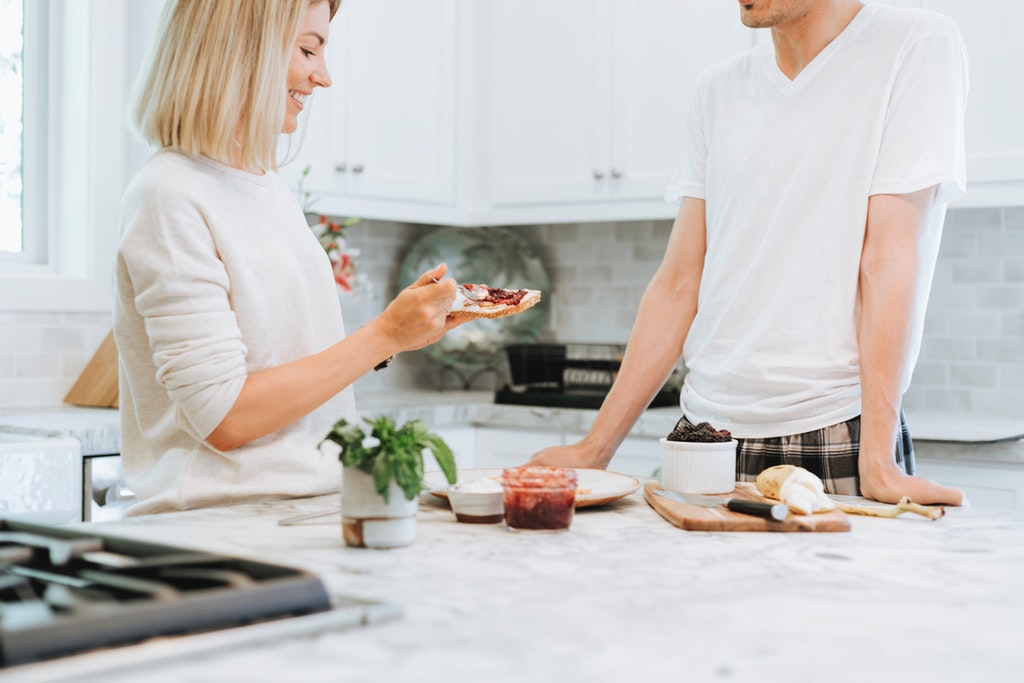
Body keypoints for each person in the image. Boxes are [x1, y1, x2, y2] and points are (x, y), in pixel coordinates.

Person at [531, 0, 967, 506]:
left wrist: (877, 463)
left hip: (830, 430)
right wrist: (594, 448)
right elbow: (678, 284)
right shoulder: (718, 89)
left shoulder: (913, 44)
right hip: (702, 434)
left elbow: (889, 261)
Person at [114, 0, 462, 515]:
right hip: (220, 528)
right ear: (239, 48)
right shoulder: (169, 192)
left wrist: (402, 331)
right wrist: (384, 334)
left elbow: (288, 362)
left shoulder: (268, 188)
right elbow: (224, 418)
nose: (322, 77)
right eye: (307, 49)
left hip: (307, 510)